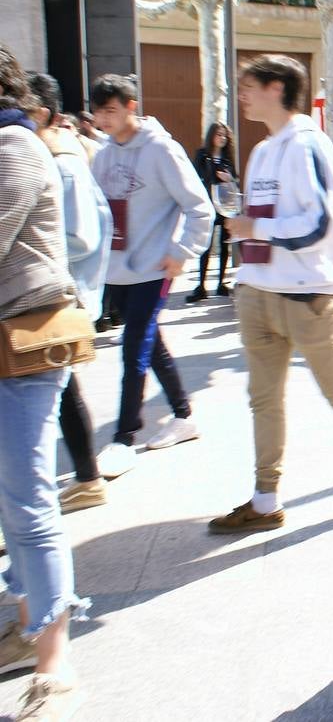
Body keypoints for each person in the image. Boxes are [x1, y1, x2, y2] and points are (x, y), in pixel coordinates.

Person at [208, 55, 333, 533]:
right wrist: (247, 244)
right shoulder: (264, 150)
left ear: (276, 88)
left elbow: (317, 223)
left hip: (309, 297)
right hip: (260, 292)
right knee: (263, 400)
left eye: (249, 85)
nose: (241, 94)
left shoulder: (310, 146)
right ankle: (265, 500)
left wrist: (254, 227)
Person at [0, 47, 89, 720]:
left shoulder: (14, 147)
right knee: (11, 500)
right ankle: (27, 623)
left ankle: (54, 662)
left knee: (29, 499)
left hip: (23, 347)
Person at [89, 74, 213, 476]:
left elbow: (200, 208)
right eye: (98, 112)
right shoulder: (103, 155)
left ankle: (124, 436)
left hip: (153, 268)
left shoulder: (162, 150)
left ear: (131, 106)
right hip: (117, 269)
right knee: (148, 343)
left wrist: (180, 253)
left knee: (133, 348)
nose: (104, 120)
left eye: (111, 110)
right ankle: (182, 414)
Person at [27, 72, 114, 513]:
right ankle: (85, 478)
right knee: (62, 393)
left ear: (40, 112)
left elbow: (82, 235)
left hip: (56, 298)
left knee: (53, 396)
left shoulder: (61, 162)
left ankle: (69, 486)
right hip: (53, 296)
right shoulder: (48, 155)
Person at [185, 122, 238, 304]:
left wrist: (229, 178)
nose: (222, 139)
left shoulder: (227, 158)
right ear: (211, 136)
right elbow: (194, 176)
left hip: (224, 205)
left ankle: (221, 283)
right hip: (208, 203)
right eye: (219, 135)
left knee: (224, 244)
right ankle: (201, 285)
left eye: (224, 136)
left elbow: (235, 179)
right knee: (206, 245)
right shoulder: (203, 155)